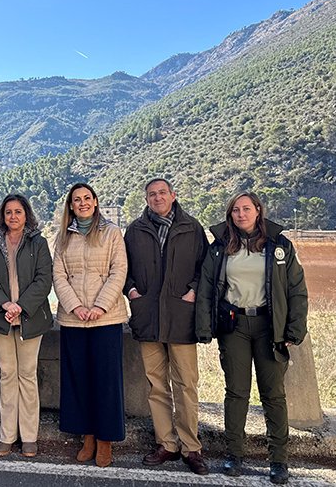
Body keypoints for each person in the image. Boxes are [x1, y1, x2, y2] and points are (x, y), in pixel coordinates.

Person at [195, 191, 308, 485]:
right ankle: (234, 455)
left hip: (270, 327)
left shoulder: (279, 245)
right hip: (234, 327)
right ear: (230, 214)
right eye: (235, 210)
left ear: (258, 210)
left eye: (246, 209)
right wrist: (204, 328)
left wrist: (295, 330)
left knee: (273, 394)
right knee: (236, 393)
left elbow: (296, 289)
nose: (241, 214)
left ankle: (279, 460)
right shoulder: (220, 248)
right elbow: (207, 288)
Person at [123, 178, 209, 475]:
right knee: (156, 384)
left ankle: (191, 447)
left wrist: (194, 291)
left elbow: (205, 267)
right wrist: (133, 290)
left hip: (181, 316)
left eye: (162, 193)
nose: (157, 198)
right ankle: (167, 444)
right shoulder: (135, 230)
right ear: (146, 199)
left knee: (186, 383)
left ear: (173, 195)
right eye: (151, 194)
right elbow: (124, 268)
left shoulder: (192, 228)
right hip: (148, 316)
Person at [52, 182, 128, 468]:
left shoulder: (111, 233)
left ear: (96, 202)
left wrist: (99, 306)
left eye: (87, 198)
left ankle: (106, 440)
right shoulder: (63, 238)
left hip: (106, 319)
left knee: (106, 382)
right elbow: (58, 276)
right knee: (78, 380)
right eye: (76, 200)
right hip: (74, 319)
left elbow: (118, 271)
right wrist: (76, 307)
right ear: (70, 206)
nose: (82, 203)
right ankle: (87, 437)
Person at [0, 194, 53, 458]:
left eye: (18, 212)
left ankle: (29, 437)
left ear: (26, 215)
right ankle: (7, 436)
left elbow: (45, 280)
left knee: (28, 376)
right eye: (8, 212)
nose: (13, 216)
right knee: (7, 375)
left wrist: (20, 305)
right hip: (1, 318)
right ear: (3, 216)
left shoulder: (38, 242)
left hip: (30, 318)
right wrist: (5, 305)